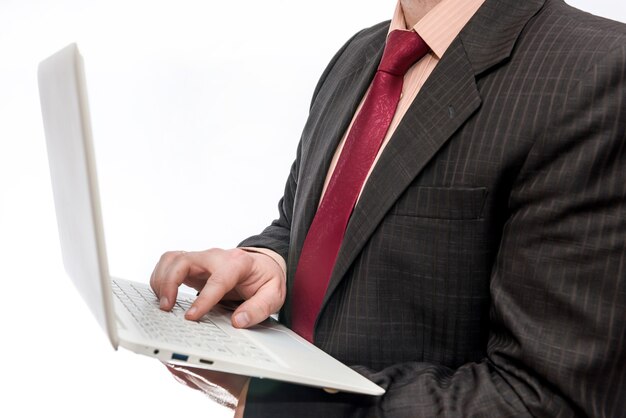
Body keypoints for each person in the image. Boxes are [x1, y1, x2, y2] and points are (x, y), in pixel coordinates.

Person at [150, 0, 626, 416]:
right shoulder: (359, 55)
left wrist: (279, 401)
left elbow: (548, 399)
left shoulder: (599, 70)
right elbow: (304, 224)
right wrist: (266, 262)